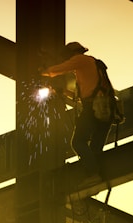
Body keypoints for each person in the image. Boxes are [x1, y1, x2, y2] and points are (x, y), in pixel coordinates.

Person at [41, 42, 112, 182]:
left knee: (78, 142)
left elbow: (59, 69)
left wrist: (43, 71)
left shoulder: (80, 60)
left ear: (71, 54)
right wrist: (62, 92)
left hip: (93, 109)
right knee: (95, 148)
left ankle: (93, 171)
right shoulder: (90, 66)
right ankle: (96, 175)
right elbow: (82, 96)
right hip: (105, 109)